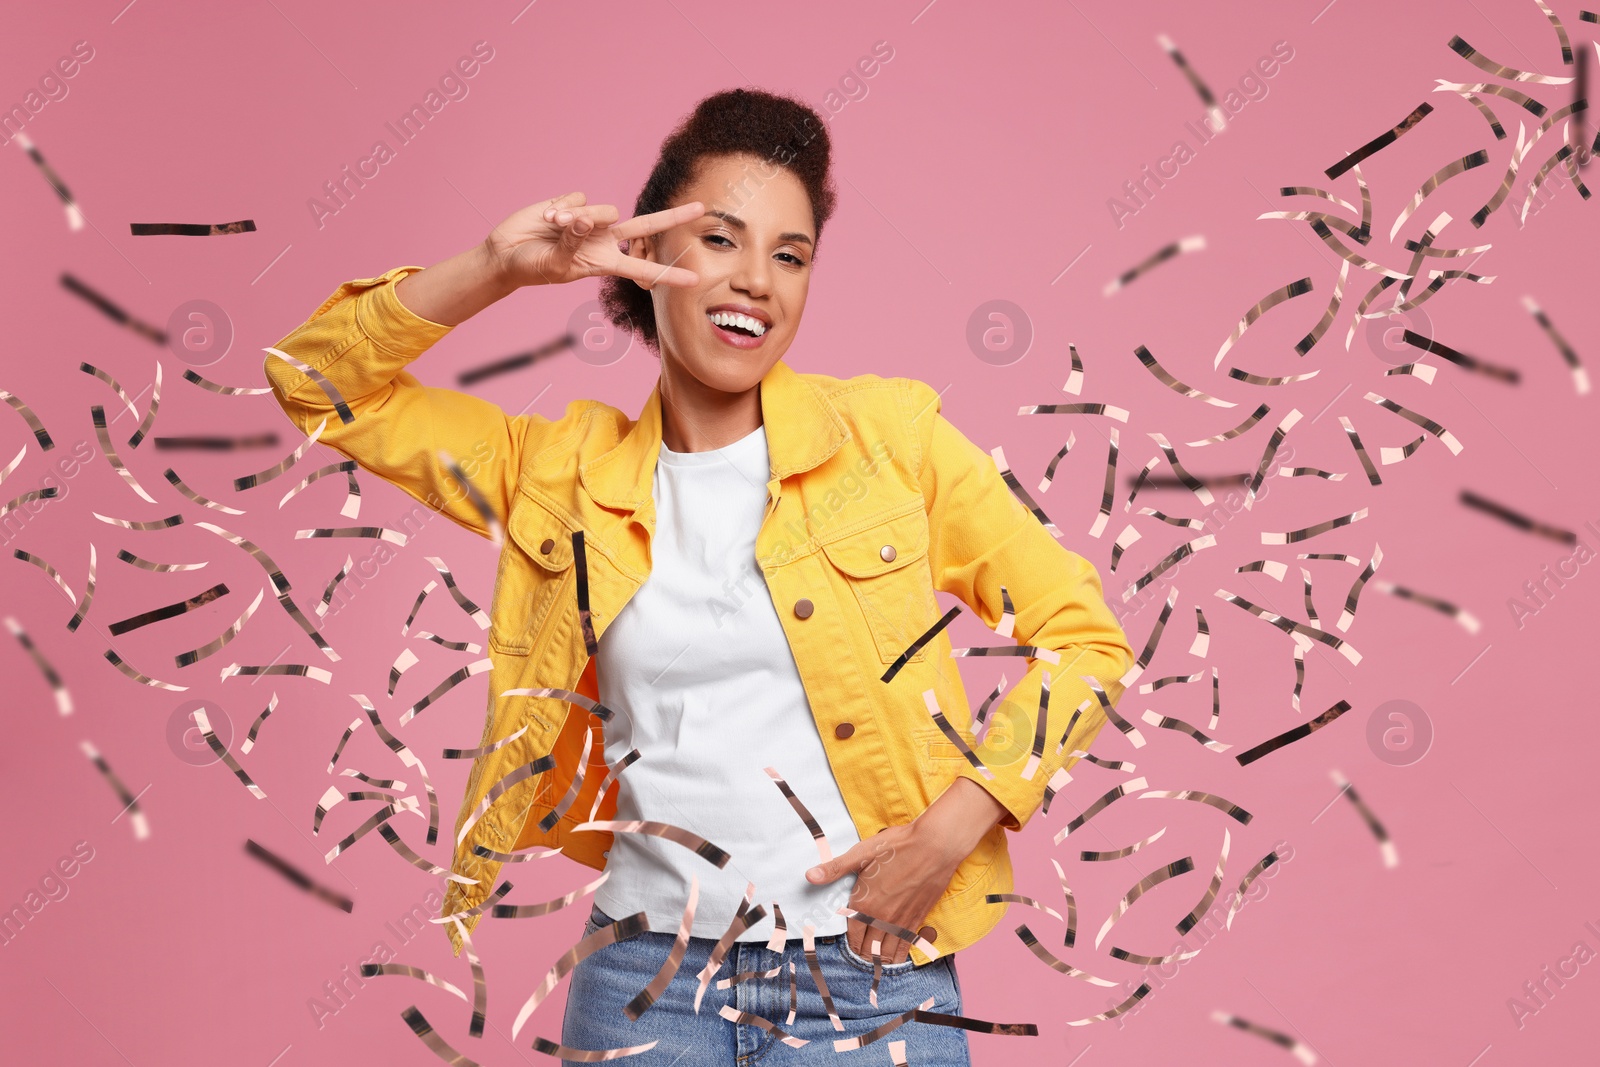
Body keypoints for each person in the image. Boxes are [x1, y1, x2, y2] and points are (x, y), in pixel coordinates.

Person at [265, 87, 1135, 1065]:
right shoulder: (557, 472)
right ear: (650, 259)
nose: (757, 280)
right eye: (720, 240)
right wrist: (502, 267)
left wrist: (952, 829)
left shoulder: (892, 441)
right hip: (645, 984)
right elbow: (311, 379)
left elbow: (1085, 641)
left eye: (790, 254)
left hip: (865, 971)